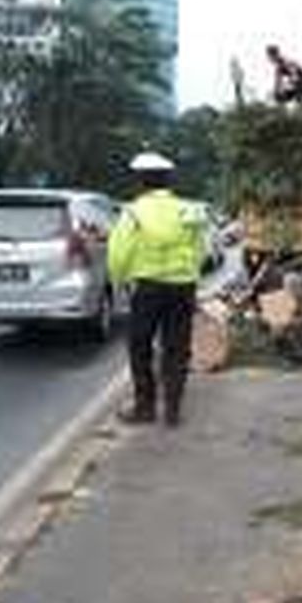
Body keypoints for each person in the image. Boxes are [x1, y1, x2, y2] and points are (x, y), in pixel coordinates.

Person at [109, 152, 207, 427]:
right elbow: (202, 249)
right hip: (182, 288)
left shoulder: (134, 211)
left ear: (140, 181)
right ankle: (173, 410)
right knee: (177, 347)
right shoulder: (188, 210)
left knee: (139, 346)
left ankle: (145, 407)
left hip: (148, 288)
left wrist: (119, 280)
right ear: (168, 180)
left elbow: (119, 252)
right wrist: (190, 275)